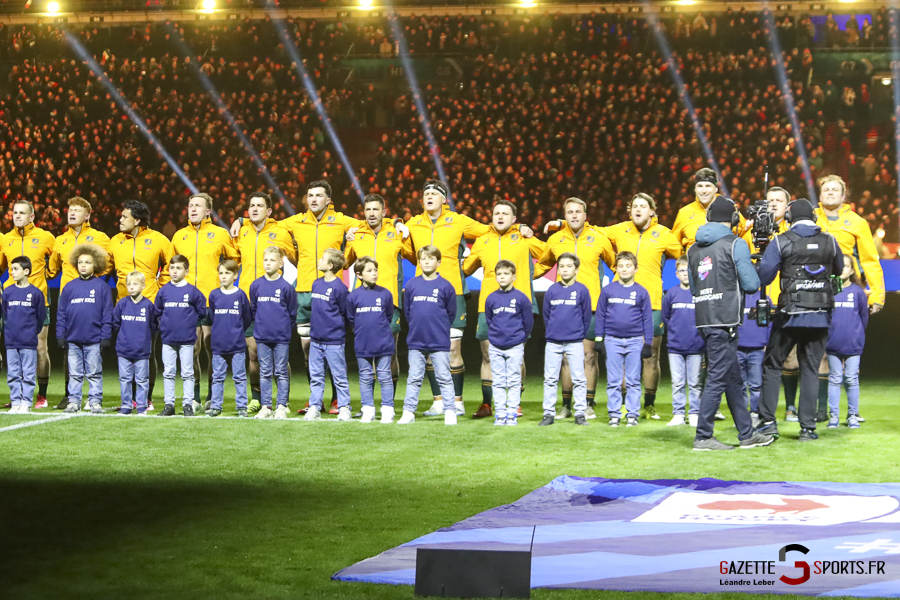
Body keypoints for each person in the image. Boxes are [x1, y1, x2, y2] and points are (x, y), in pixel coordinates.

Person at [232, 181, 359, 414]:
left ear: (328, 200)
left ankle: (336, 400)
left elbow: (369, 223)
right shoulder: (296, 221)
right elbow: (269, 222)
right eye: (310, 195)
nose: (313, 199)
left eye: (318, 195)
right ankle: (315, 400)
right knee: (308, 351)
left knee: (332, 350)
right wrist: (241, 220)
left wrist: (392, 225)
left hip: (331, 291)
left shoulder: (341, 220)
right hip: (303, 291)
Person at [404, 180, 514, 416]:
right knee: (429, 349)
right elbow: (402, 247)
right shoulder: (413, 223)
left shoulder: (458, 220)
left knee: (453, 348)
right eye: (426, 193)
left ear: (444, 199)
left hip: (452, 291)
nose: (429, 197)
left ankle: (456, 401)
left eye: (434, 193)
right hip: (423, 293)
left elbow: (490, 229)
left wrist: (519, 228)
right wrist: (395, 225)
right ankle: (438, 402)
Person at [686, 196, 774, 450]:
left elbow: (694, 287)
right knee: (716, 377)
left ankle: (746, 434)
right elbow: (751, 284)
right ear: (733, 218)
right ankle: (703, 436)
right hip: (726, 319)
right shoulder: (735, 244)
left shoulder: (692, 249)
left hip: (704, 318)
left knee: (733, 379)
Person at [756, 198, 843, 442]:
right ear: (814, 217)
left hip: (790, 315)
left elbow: (764, 277)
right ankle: (807, 428)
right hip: (820, 314)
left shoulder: (781, 240)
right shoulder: (830, 240)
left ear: (789, 218)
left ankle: (768, 423)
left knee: (773, 365)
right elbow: (839, 269)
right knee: (810, 369)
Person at [598, 193, 682, 420]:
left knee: (651, 355)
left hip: (653, 302)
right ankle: (626, 404)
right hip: (622, 302)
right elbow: (592, 231)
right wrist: (562, 224)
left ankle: (649, 405)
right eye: (634, 206)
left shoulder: (663, 233)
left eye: (643, 206)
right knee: (625, 355)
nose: (637, 209)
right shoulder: (619, 229)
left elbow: (682, 250)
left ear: (652, 211)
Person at [462, 199, 545, 419]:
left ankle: (514, 403)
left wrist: (531, 275)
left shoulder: (524, 237)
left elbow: (548, 254)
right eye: (496, 213)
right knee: (488, 355)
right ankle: (487, 404)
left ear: (514, 219)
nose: (500, 216)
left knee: (516, 355)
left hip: (518, 304)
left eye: (505, 213)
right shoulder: (483, 240)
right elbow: (466, 268)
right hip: (488, 305)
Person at [814, 174, 884, 422]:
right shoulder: (810, 218)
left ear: (844, 196)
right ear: (820, 194)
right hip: (814, 290)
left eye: (835, 189)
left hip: (844, 290)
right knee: (818, 352)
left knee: (841, 348)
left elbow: (869, 260)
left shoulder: (857, 222)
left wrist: (877, 295)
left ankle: (848, 411)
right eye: (826, 189)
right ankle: (821, 409)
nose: (830, 192)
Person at [537, 197, 615, 418]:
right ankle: (566, 405)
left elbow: (615, 265)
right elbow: (542, 265)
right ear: (565, 216)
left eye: (578, 212)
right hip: (564, 307)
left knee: (589, 356)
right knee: (565, 358)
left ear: (585, 215)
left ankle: (588, 403)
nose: (574, 215)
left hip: (592, 307)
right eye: (570, 212)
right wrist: (519, 278)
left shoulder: (599, 238)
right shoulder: (555, 239)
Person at [344, 194, 415, 411]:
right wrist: (347, 238)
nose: (371, 213)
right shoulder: (357, 234)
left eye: (376, 209)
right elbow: (345, 263)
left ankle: (388, 404)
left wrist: (401, 227)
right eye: (368, 210)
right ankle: (368, 405)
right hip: (363, 303)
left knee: (389, 352)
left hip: (389, 302)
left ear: (384, 212)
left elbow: (413, 257)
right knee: (366, 353)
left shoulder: (396, 232)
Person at [172, 193, 239, 409]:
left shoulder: (220, 234)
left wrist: (225, 285)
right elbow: (170, 266)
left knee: (212, 348)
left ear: (208, 211)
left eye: (197, 206)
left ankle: (211, 395)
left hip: (212, 300)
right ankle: (194, 397)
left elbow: (235, 260)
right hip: (187, 302)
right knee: (191, 349)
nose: (192, 209)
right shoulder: (179, 236)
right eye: (190, 205)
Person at [232, 192, 296, 411]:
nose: (254, 209)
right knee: (253, 353)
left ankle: (283, 399)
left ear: (269, 211)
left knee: (279, 357)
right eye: (252, 205)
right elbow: (234, 261)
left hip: (274, 303)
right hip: (249, 301)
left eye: (259, 205)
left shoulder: (280, 232)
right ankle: (258, 397)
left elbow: (297, 260)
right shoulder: (242, 232)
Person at [109, 200, 176, 408]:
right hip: (123, 304)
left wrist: (160, 287)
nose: (120, 220)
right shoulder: (115, 241)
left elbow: (171, 264)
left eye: (124, 217)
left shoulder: (158, 239)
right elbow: (106, 267)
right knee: (126, 352)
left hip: (149, 304)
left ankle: (146, 398)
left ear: (137, 220)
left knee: (147, 351)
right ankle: (129, 399)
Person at [48, 197, 111, 410]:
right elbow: (51, 269)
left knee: (92, 356)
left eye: (77, 210)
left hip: (92, 296)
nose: (72, 213)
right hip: (68, 297)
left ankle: (94, 398)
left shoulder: (100, 237)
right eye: (70, 210)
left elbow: (109, 263)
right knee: (69, 349)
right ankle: (70, 396)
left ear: (87, 215)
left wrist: (96, 282)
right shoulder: (60, 240)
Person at [0, 201, 56, 409]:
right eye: (14, 212)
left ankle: (41, 395)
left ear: (32, 217)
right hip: (12, 301)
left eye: (22, 213)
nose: (17, 216)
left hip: (38, 300)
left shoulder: (45, 237)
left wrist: (49, 274)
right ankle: (18, 396)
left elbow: (57, 260)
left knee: (40, 347)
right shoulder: (6, 239)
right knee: (14, 348)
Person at [398, 245, 457, 425]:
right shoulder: (411, 285)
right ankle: (408, 412)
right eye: (423, 259)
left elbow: (451, 313)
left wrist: (439, 328)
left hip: (439, 341)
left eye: (431, 259)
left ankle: (450, 412)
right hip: (416, 341)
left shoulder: (446, 286)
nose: (427, 262)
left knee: (444, 377)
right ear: (419, 262)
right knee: (414, 378)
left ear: (438, 262)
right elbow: (408, 312)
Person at [594, 251, 653, 428]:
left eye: (628, 266)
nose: (624, 269)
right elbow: (600, 315)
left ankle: (632, 414)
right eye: (621, 266)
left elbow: (647, 319)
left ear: (636, 269)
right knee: (614, 380)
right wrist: (599, 339)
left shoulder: (641, 292)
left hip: (635, 341)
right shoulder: (608, 290)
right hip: (612, 340)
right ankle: (614, 414)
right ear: (616, 269)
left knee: (633, 380)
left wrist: (648, 343)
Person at [56, 244, 113, 414]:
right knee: (74, 374)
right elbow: (61, 314)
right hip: (73, 340)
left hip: (94, 340)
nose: (83, 265)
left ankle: (95, 402)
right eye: (80, 262)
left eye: (87, 262)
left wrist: (106, 336)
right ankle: (73, 402)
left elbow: (107, 314)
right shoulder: (69, 287)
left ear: (96, 264)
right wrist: (60, 335)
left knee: (94, 373)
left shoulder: (102, 287)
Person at [539, 253, 592, 426]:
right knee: (550, 379)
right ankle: (548, 414)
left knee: (579, 379)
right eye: (561, 266)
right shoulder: (552, 290)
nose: (565, 269)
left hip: (575, 341)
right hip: (553, 342)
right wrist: (553, 332)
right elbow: (547, 315)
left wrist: (578, 334)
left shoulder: (582, 290)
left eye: (569, 266)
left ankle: (580, 413)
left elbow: (586, 317)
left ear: (576, 270)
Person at [154, 255, 207, 417]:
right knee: (168, 373)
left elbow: (202, 311)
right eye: (172, 268)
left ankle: (187, 405)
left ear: (186, 271)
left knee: (188, 373)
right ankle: (169, 405)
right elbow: (158, 311)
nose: (174, 271)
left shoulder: (192, 291)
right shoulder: (164, 291)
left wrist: (188, 323)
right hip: (168, 339)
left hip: (187, 340)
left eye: (178, 268)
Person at [483, 260, 534, 426]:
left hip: (515, 345)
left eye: (506, 274)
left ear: (514, 277)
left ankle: (512, 412)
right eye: (499, 274)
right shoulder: (491, 298)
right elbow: (489, 320)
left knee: (513, 380)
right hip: (496, 346)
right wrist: (495, 337)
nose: (502, 277)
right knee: (498, 381)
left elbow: (528, 323)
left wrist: (519, 339)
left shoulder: (521, 298)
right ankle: (500, 413)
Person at [346, 256, 396, 424]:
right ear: (359, 275)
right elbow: (351, 318)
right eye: (369, 271)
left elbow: (388, 316)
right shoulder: (354, 296)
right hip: (363, 343)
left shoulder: (385, 293)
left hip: (383, 343)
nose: (374, 273)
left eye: (375, 270)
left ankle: (387, 410)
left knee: (385, 376)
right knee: (365, 376)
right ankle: (367, 409)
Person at [249, 246, 298, 420]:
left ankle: (282, 406)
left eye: (272, 260)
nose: (268, 263)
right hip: (262, 337)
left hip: (281, 338)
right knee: (264, 372)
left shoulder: (286, 288)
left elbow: (292, 314)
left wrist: (282, 329)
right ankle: (266, 406)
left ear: (280, 263)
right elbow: (254, 309)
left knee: (281, 371)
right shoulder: (256, 285)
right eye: (265, 260)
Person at [303, 248, 351, 422]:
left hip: (334, 342)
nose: (319, 260)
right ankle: (315, 407)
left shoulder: (340, 288)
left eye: (322, 259)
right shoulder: (316, 283)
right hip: (316, 340)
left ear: (330, 265)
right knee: (316, 376)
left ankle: (344, 407)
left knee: (339, 376)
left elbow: (345, 313)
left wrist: (336, 331)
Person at [661, 256, 705, 427]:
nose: (685, 274)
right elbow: (666, 317)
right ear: (676, 274)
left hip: (696, 347)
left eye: (688, 270)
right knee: (677, 382)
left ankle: (694, 413)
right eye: (681, 271)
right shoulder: (671, 294)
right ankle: (678, 414)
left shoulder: (699, 293)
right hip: (675, 347)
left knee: (695, 383)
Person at [825, 254, 868, 429]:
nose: (843, 269)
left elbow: (863, 318)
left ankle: (853, 415)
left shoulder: (857, 292)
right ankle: (834, 416)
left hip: (853, 344)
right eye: (840, 265)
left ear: (851, 271)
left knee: (851, 379)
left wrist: (856, 335)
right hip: (832, 343)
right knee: (835, 379)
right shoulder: (829, 291)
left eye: (846, 266)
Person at [207, 259, 252, 418]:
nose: (223, 276)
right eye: (221, 273)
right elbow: (212, 316)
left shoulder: (240, 295)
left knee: (239, 377)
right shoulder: (214, 295)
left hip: (237, 344)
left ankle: (241, 407)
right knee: (217, 377)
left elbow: (247, 318)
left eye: (227, 273)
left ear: (235, 275)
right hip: (218, 344)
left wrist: (237, 331)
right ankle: (215, 406)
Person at [2, 256, 46, 414]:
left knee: (28, 374)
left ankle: (26, 402)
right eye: (11, 269)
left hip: (28, 341)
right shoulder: (8, 292)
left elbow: (41, 317)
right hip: (11, 341)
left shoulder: (36, 293)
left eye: (15, 269)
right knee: (13, 374)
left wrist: (31, 332)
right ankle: (15, 402)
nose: (11, 272)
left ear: (26, 271)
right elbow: (5, 314)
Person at [112, 271, 159, 416]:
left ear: (143, 286)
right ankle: (126, 405)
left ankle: (141, 406)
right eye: (129, 284)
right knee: (125, 379)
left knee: (142, 380)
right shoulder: (122, 304)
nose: (131, 287)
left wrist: (143, 339)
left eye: (135, 284)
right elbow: (115, 323)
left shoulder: (148, 305)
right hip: (124, 350)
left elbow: (153, 326)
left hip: (142, 351)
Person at [672, 168, 748, 251]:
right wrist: (684, 257)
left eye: (708, 186)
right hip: (694, 258)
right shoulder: (684, 213)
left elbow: (745, 234)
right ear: (695, 189)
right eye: (700, 186)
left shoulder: (729, 208)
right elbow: (674, 244)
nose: (704, 191)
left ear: (716, 189)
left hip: (723, 258)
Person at [737, 290, 771, 427]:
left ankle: (755, 414)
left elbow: (770, 323)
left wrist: (767, 343)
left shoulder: (764, 298)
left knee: (756, 385)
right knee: (740, 385)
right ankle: (741, 416)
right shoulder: (737, 296)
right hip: (738, 348)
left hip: (758, 348)